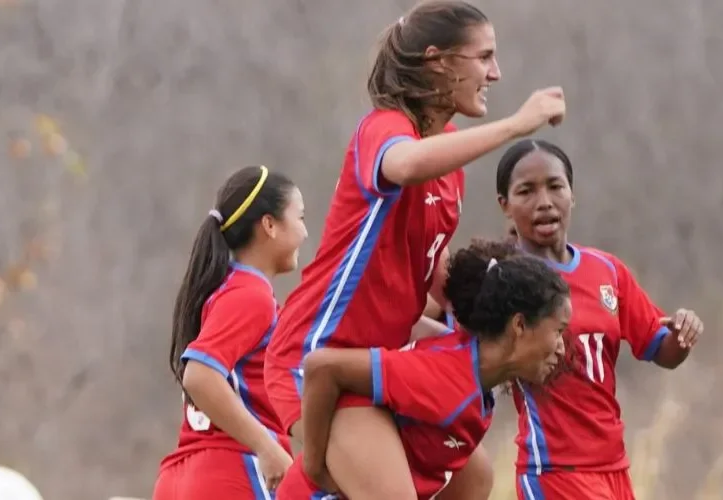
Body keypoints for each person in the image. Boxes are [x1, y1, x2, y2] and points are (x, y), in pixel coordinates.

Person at [264, 1, 566, 497]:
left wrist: (502, 327)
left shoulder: (447, 159)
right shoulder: (384, 129)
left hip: (380, 358)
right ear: (438, 61)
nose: (496, 72)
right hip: (319, 358)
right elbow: (404, 165)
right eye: (484, 57)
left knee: (474, 479)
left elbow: (431, 271)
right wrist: (517, 125)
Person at [275, 238, 571, 499]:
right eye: (558, 331)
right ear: (519, 325)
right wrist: (314, 465)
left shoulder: (472, 374)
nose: (561, 347)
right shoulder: (441, 376)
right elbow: (322, 366)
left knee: (478, 474)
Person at [494, 140, 705, 500]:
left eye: (555, 186)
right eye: (526, 191)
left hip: (614, 468)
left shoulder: (607, 270)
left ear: (572, 195)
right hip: (555, 472)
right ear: (505, 205)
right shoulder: (504, 279)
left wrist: (683, 333)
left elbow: (660, 349)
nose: (544, 201)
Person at [153, 166, 308, 500]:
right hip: (231, 473)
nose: (306, 233)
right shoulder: (251, 295)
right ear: (269, 225)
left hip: (185, 476)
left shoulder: (225, 289)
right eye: (300, 218)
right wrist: (266, 448)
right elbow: (200, 375)